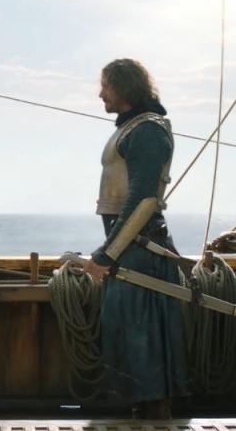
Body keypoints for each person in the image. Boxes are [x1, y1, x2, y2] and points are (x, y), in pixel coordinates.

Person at [82, 58, 189, 419]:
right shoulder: (133, 128)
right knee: (129, 342)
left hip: (140, 252)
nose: (101, 94)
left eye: (106, 86)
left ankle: (156, 420)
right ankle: (143, 416)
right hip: (129, 250)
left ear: (124, 86)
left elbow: (143, 200)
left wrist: (106, 255)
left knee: (145, 346)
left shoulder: (147, 130)